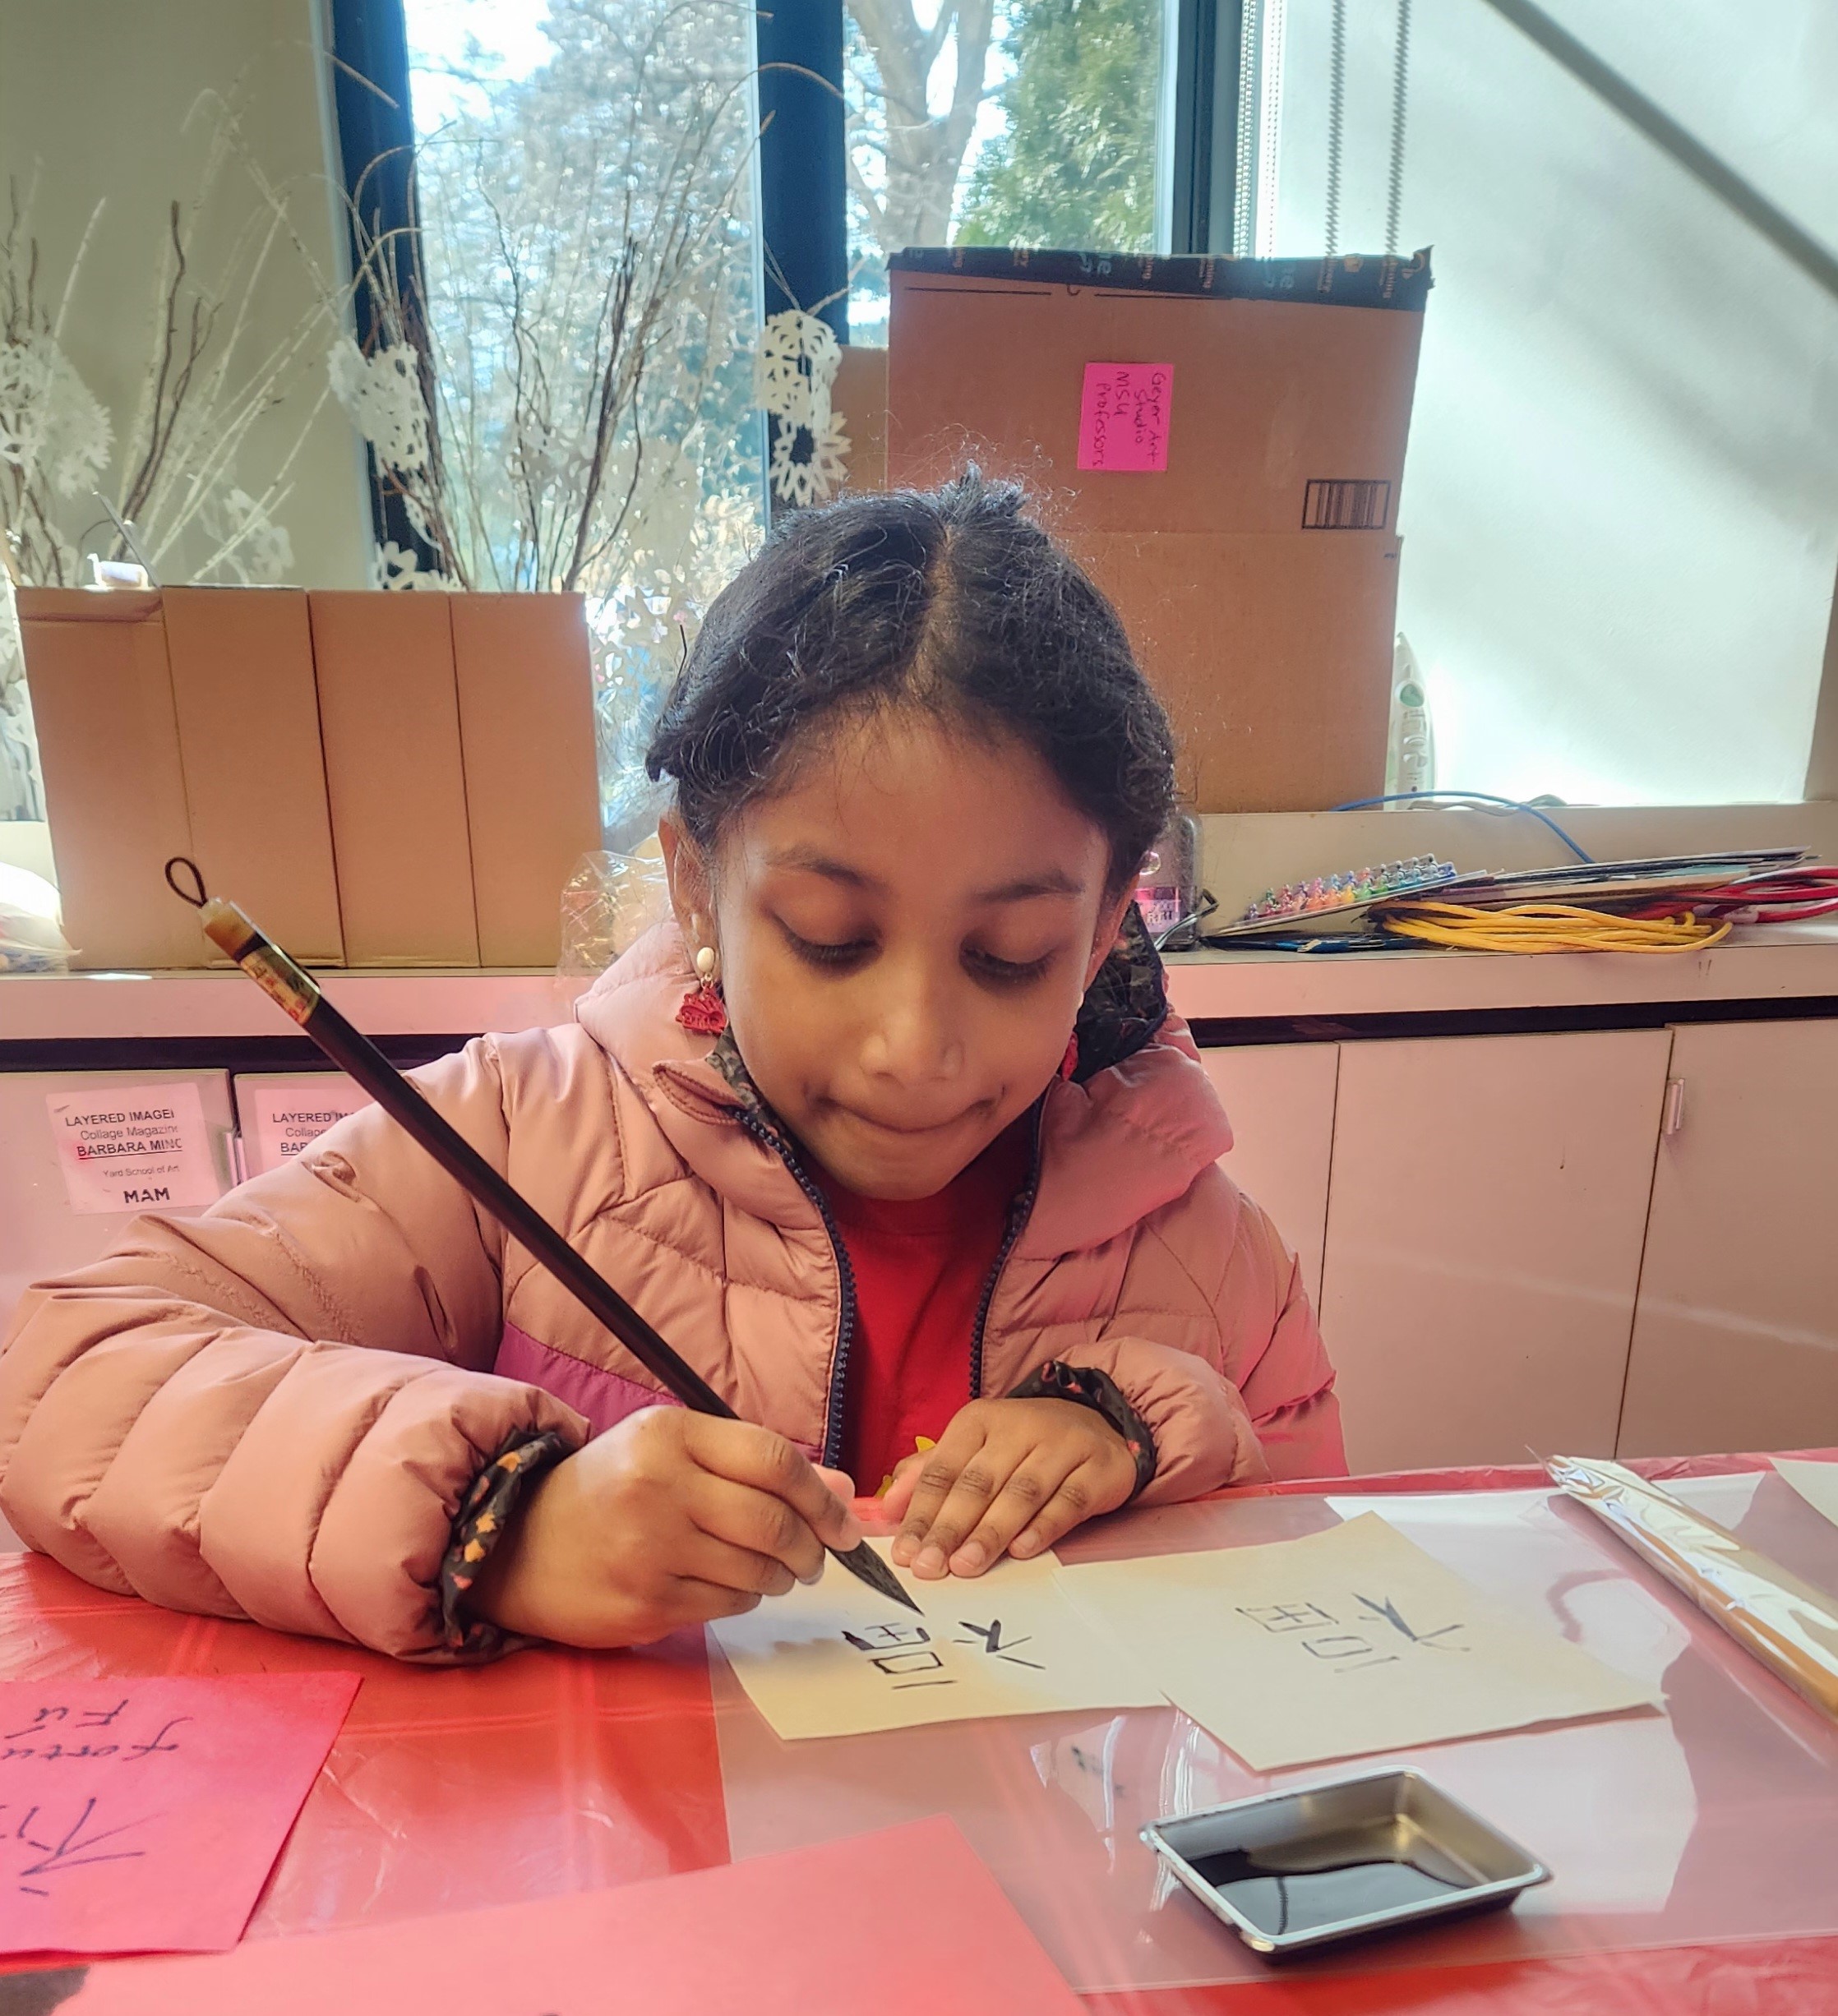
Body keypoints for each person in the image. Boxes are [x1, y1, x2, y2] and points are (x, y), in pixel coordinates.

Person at [0, 473, 1343, 1663]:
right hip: (639, 1912)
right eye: (830, 939)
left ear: (1108, 925)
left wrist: (1152, 1423)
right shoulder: (519, 1137)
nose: (914, 1046)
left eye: (1011, 955)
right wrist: (502, 1522)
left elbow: (1329, 1595)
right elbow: (66, 1371)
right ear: (696, 881)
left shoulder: (1207, 1256)